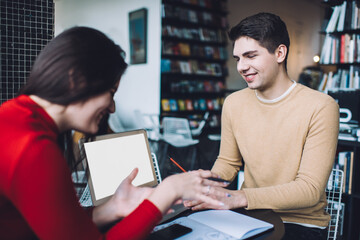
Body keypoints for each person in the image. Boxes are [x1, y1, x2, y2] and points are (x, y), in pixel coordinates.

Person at [0, 26, 228, 240]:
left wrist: (114, 206)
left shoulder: (16, 117)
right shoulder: (33, 147)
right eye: (111, 92)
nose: (112, 108)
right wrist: (167, 192)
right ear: (75, 79)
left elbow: (60, 228)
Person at [184, 12, 339, 240]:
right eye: (238, 58)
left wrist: (238, 197)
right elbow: (228, 162)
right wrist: (207, 183)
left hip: (301, 223)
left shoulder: (321, 106)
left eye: (250, 56)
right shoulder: (233, 103)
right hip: (249, 215)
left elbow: (309, 190)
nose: (242, 67)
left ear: (279, 53)